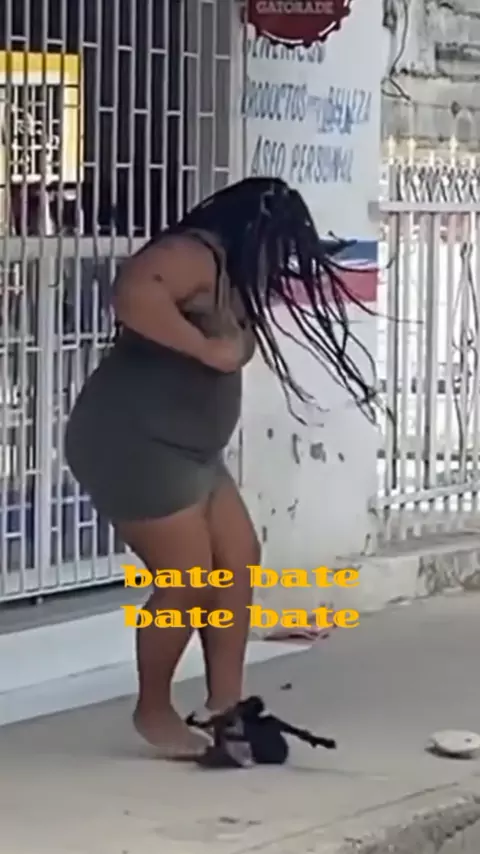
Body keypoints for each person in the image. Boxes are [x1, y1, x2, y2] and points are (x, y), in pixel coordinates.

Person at [65, 176, 379, 759]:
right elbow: (133, 293)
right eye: (276, 246)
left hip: (194, 451)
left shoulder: (236, 274)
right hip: (135, 442)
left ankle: (224, 704)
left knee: (237, 557)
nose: (279, 260)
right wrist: (206, 348)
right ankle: (153, 711)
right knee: (186, 578)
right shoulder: (194, 254)